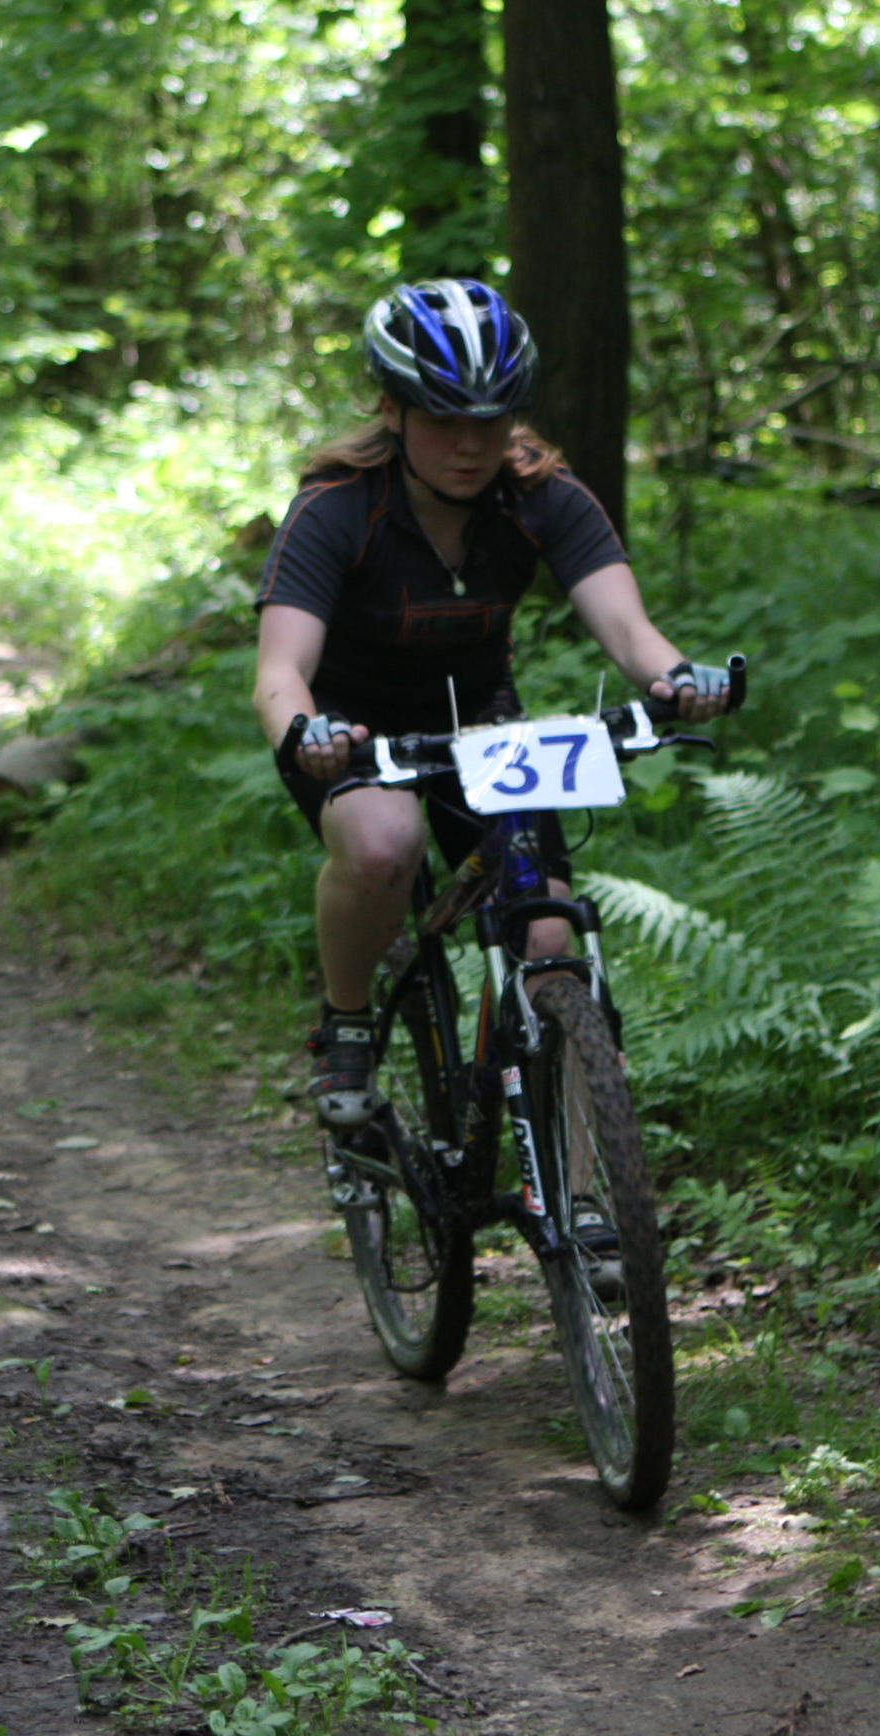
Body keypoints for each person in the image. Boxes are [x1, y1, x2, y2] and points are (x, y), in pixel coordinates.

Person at [253, 278, 734, 1127]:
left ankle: (565, 1156)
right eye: (444, 419)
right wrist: (305, 730)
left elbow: (630, 631)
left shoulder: (540, 494)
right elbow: (280, 669)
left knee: (547, 936)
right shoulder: (337, 509)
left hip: (479, 720)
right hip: (348, 724)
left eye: (493, 418)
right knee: (384, 843)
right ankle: (348, 1021)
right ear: (392, 410)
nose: (471, 444)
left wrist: (679, 679)